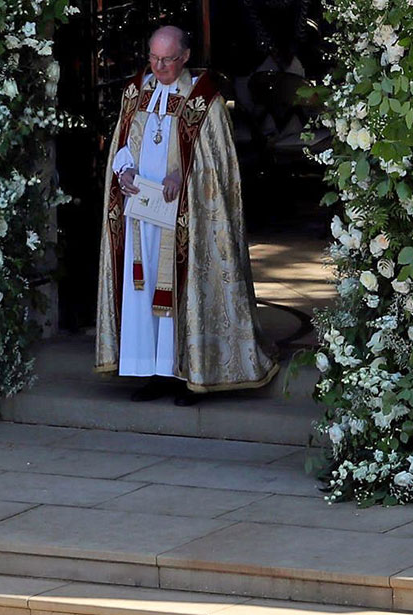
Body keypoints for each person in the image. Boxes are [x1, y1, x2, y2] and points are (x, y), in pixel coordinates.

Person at [96, 25, 276, 403]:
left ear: (186, 57)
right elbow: (123, 141)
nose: (159, 66)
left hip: (187, 218)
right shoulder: (136, 91)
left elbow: (218, 166)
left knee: (184, 291)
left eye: (168, 59)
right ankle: (153, 372)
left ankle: (189, 373)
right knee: (143, 292)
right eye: (154, 58)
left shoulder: (205, 100)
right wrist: (123, 170)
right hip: (141, 214)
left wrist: (184, 175)